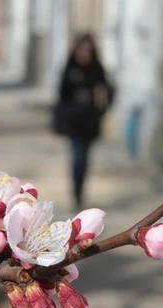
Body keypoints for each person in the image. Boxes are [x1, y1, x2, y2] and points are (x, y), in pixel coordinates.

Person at [54, 33, 113, 209]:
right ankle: (77, 193)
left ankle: (80, 190)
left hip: (90, 123)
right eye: (82, 49)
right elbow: (62, 95)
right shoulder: (70, 68)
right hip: (74, 124)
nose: (85, 53)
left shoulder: (96, 68)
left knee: (85, 160)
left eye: (88, 49)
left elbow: (108, 89)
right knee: (78, 159)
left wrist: (101, 110)